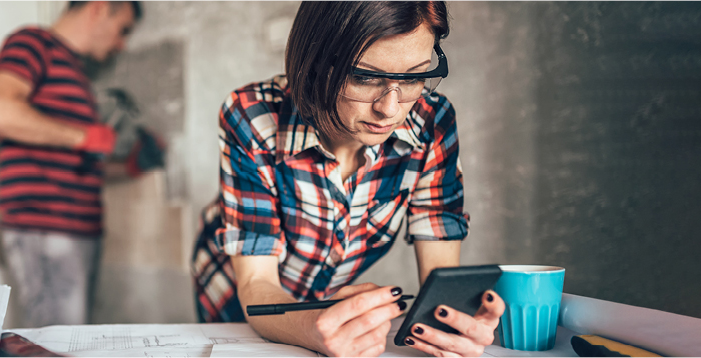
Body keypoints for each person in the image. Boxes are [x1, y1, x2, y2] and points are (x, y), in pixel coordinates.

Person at [191, 2, 505, 356]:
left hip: (323, 304)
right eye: (365, 77)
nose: (390, 108)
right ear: (315, 61)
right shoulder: (252, 116)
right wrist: (312, 326)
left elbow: (441, 283)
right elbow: (257, 282)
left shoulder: (432, 122)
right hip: (237, 293)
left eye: (413, 76)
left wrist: (452, 324)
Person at [0, 1, 154, 327]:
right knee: (57, 343)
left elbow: (78, 160)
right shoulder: (33, 43)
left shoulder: (76, 74)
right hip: (45, 226)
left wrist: (131, 166)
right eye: (123, 30)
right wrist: (83, 136)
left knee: (69, 337)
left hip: (76, 231)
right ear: (99, 8)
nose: (122, 43)